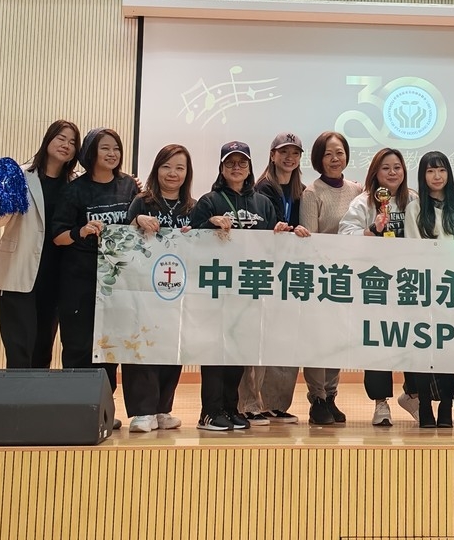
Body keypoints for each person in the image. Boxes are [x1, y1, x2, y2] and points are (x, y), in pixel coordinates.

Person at [189, 140, 293, 432]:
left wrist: (280, 232)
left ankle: (229, 407)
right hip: (216, 289)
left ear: (249, 168)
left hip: (249, 289)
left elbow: (271, 246)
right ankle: (210, 411)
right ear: (221, 168)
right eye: (230, 163)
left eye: (242, 163)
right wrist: (209, 224)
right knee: (215, 351)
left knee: (238, 351)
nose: (236, 167)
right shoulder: (208, 201)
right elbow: (191, 242)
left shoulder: (262, 203)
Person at [52, 128, 139, 401]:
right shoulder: (74, 190)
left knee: (109, 346)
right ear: (91, 152)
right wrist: (81, 231)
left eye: (116, 148)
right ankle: (75, 405)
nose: (112, 153)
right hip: (79, 281)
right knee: (78, 345)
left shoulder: (129, 186)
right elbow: (58, 236)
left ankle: (103, 408)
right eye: (105, 148)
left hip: (116, 282)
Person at [0, 120, 81, 370]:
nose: (66, 145)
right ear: (48, 139)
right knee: (19, 349)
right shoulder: (19, 175)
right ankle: (16, 395)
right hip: (19, 270)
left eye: (72, 142)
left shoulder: (76, 183)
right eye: (61, 138)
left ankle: (38, 395)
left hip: (56, 275)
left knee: (43, 350)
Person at [339, 147, 416, 426]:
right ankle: (380, 403)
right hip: (376, 283)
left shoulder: (413, 200)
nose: (392, 172)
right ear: (375, 172)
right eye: (386, 168)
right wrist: (371, 230)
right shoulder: (363, 202)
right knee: (378, 343)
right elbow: (345, 234)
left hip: (409, 283)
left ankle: (413, 395)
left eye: (397, 167)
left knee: (413, 340)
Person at [123, 144, 195, 433]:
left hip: (178, 291)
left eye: (179, 167)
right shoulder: (142, 202)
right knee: (142, 345)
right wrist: (136, 221)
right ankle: (143, 411)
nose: (172, 173)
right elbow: (122, 239)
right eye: (166, 166)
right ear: (156, 169)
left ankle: (163, 408)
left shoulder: (193, 207)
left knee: (172, 346)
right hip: (143, 290)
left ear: (187, 173)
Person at [243, 132, 313, 425]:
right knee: (256, 339)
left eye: (295, 153)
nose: (289, 158)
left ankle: (275, 404)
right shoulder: (259, 189)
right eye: (283, 152)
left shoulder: (302, 191)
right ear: (272, 155)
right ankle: (249, 404)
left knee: (285, 338)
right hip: (263, 271)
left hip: (290, 275)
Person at [298, 131, 364, 425]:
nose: (335, 159)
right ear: (318, 159)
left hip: (350, 277)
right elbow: (310, 241)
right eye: (328, 154)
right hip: (321, 278)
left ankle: (331, 395)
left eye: (339, 152)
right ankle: (317, 398)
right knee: (318, 339)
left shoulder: (357, 190)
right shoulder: (311, 193)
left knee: (338, 338)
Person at [404, 151, 454, 428]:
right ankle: (425, 405)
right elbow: (413, 248)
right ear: (422, 176)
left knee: (449, 348)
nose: (436, 176)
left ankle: (446, 405)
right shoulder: (414, 209)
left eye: (441, 170)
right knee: (423, 349)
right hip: (424, 288)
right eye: (430, 171)